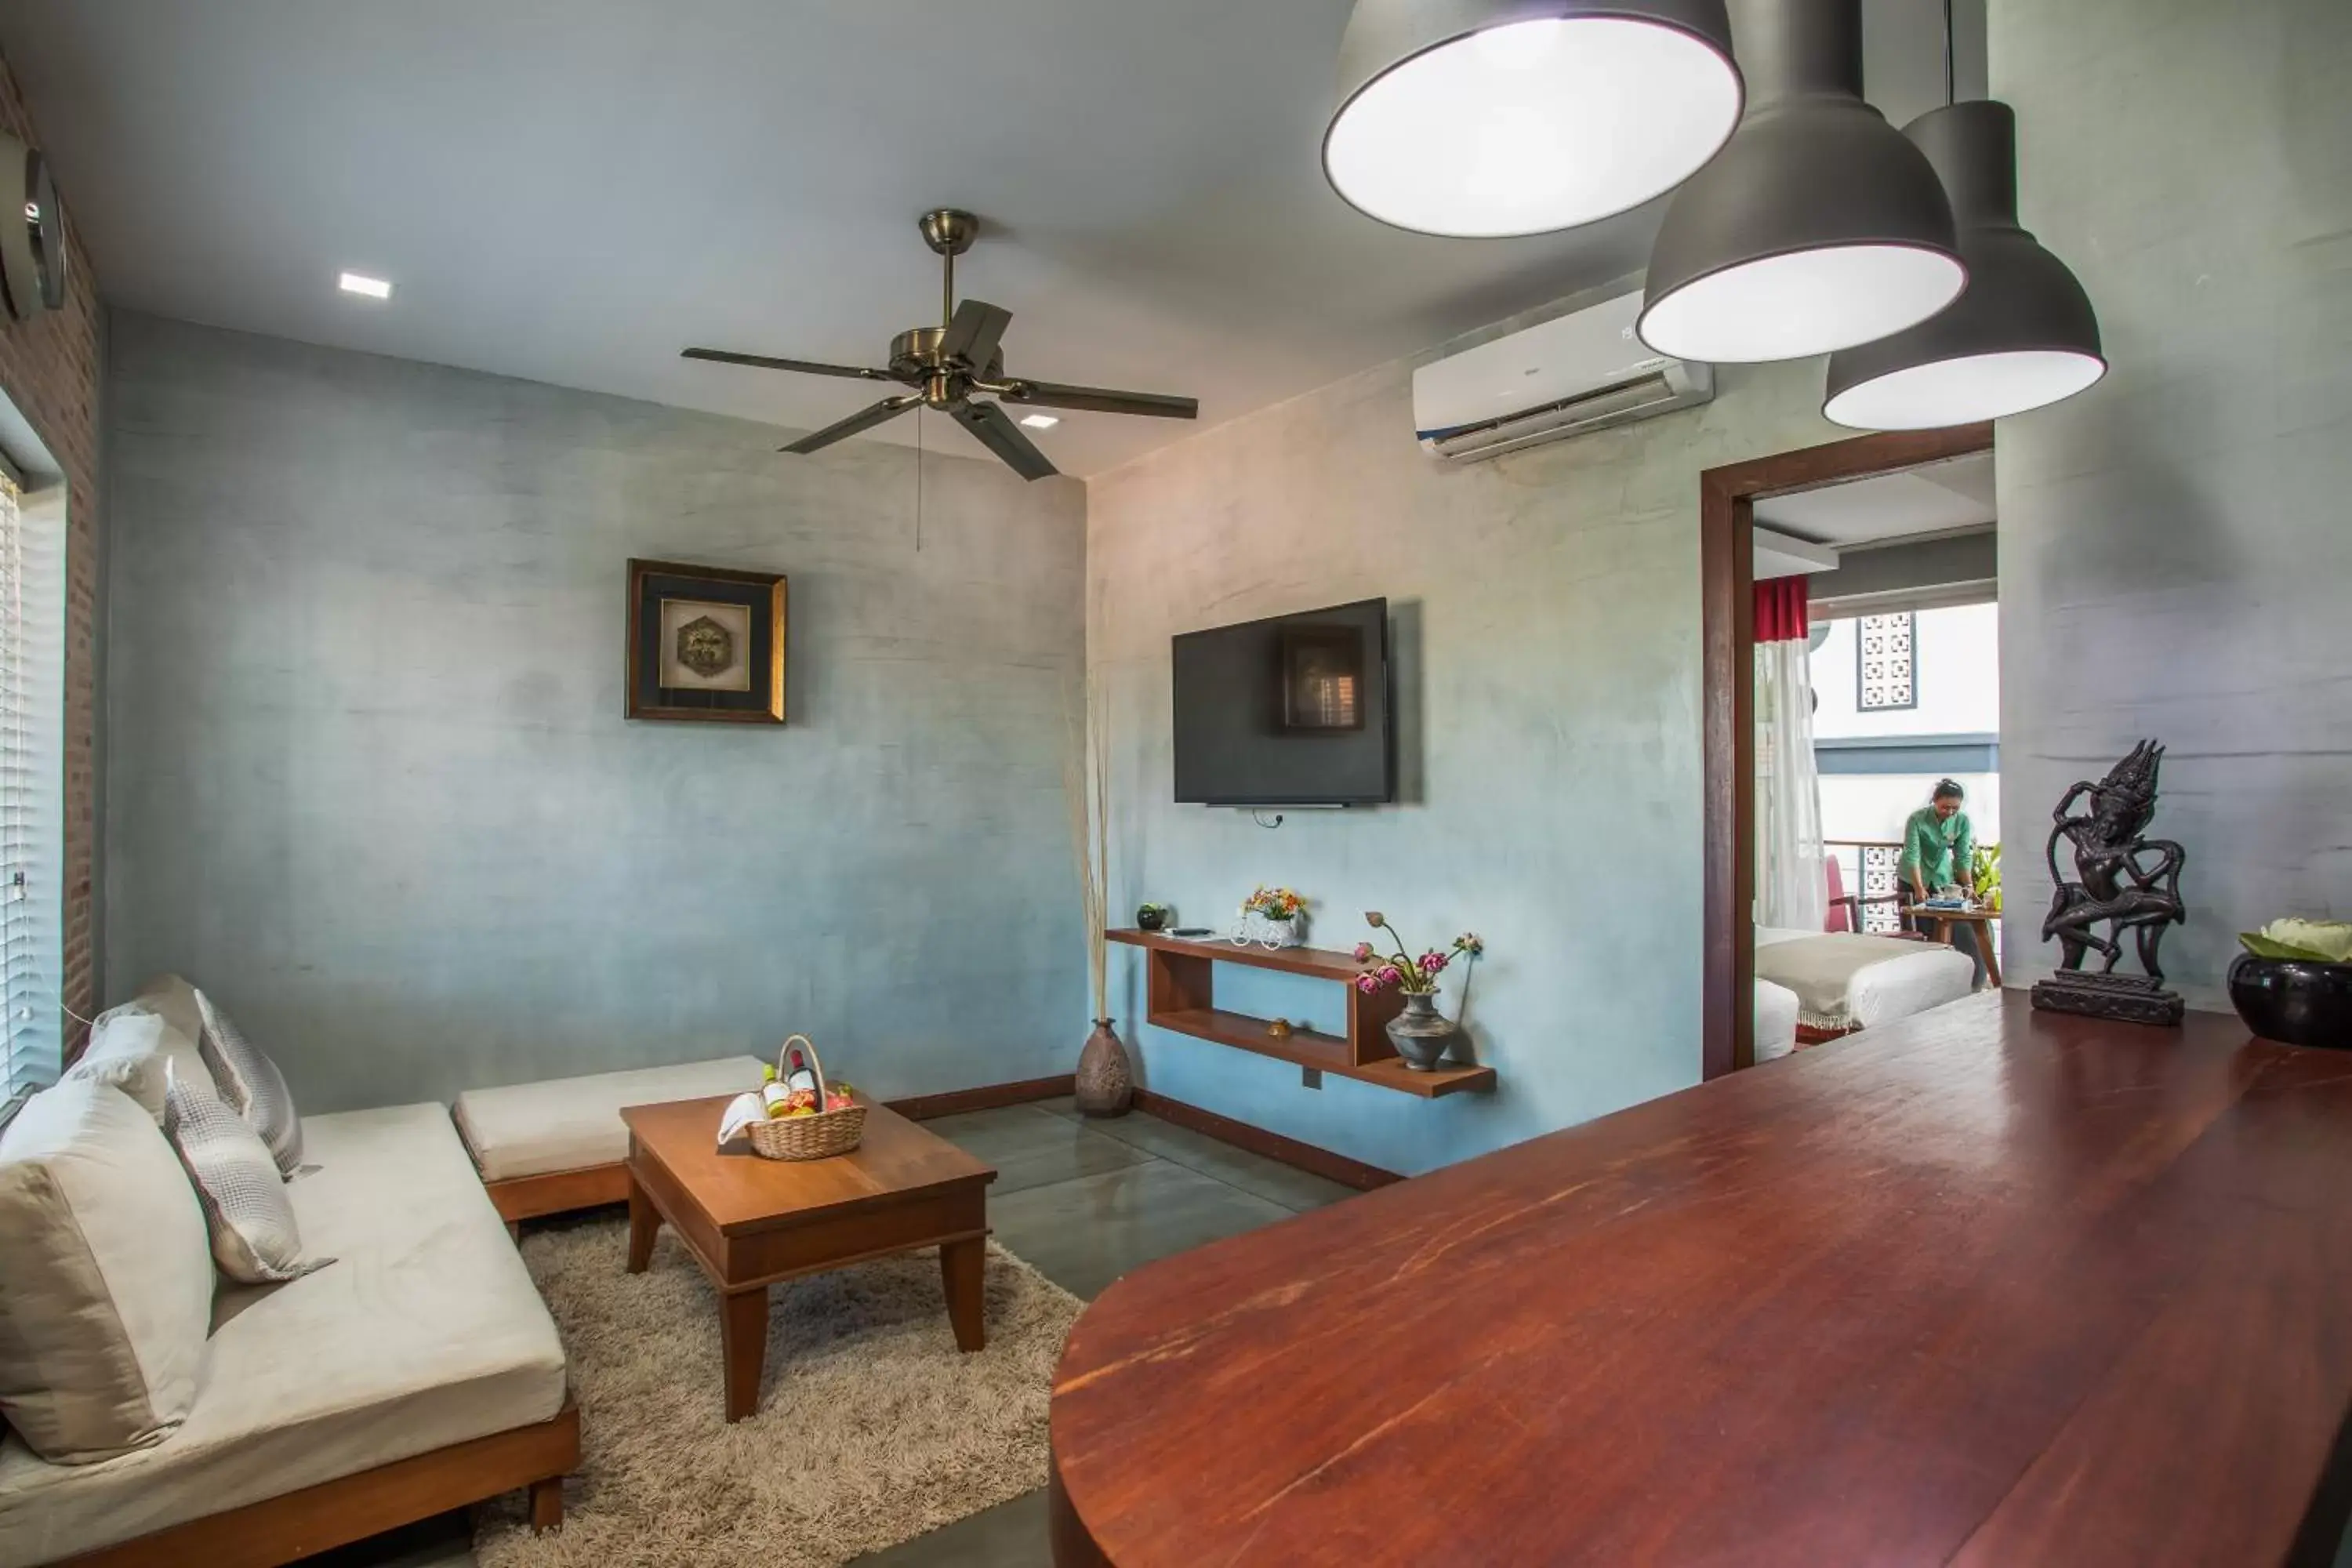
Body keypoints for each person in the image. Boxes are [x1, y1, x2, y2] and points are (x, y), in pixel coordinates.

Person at [1898, 779, 1983, 983]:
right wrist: (1919, 888)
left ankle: (1967, 981)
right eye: (1945, 807)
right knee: (1922, 933)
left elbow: (1963, 856)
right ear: (1934, 801)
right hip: (1912, 878)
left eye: (1955, 808)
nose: (1950, 812)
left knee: (1956, 929)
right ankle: (1920, 983)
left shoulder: (1962, 821)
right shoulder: (1917, 819)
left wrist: (1969, 885)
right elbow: (1912, 855)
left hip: (1941, 878)